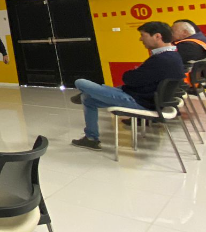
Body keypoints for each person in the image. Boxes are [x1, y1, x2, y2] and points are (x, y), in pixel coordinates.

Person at [71, 21, 184, 151]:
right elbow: (138, 78)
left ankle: (89, 94)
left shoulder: (162, 59)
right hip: (147, 98)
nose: (140, 39)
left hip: (139, 101)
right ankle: (91, 138)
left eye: (143, 35)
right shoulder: (173, 56)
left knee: (80, 82)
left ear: (157, 36)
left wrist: (133, 73)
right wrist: (136, 73)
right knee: (88, 99)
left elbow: (129, 79)